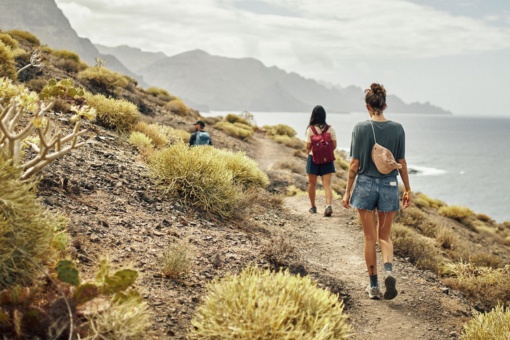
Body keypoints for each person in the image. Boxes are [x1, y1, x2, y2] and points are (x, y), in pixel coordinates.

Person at [341, 83, 411, 300]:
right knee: (385, 236)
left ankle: (373, 286)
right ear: (385, 105)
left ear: (367, 107)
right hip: (390, 185)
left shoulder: (360, 128)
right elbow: (401, 162)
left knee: (369, 238)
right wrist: (407, 189)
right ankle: (389, 270)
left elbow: (354, 165)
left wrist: (346, 193)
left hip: (365, 185)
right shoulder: (398, 129)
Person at [305, 105, 337, 217]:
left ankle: (313, 207)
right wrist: (325, 153)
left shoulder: (310, 129)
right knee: (327, 185)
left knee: (312, 184)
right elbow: (334, 145)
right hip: (327, 160)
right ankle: (328, 205)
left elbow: (308, 147)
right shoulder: (331, 129)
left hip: (313, 158)